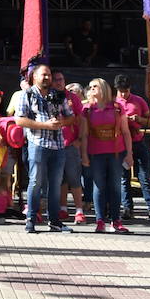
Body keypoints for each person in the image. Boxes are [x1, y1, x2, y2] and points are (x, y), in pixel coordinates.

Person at [15, 61, 75, 235]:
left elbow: (71, 118)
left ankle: (54, 221)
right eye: (44, 74)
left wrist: (61, 122)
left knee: (55, 184)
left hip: (58, 146)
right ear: (34, 77)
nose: (48, 77)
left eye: (49, 74)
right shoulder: (26, 95)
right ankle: (31, 220)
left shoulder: (59, 95)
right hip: (38, 144)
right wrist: (45, 125)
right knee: (36, 182)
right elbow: (19, 120)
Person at [81, 77, 131, 233]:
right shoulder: (87, 109)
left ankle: (116, 220)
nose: (92, 89)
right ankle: (100, 220)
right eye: (90, 87)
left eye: (95, 86)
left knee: (115, 186)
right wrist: (84, 155)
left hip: (116, 152)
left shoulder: (117, 107)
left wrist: (129, 153)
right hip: (96, 153)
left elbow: (126, 132)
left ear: (103, 88)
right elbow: (84, 135)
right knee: (99, 186)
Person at [115, 74, 150, 221]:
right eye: (120, 90)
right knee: (123, 178)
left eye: (125, 90)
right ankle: (127, 208)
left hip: (138, 141)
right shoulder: (113, 103)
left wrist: (138, 119)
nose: (123, 93)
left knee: (144, 177)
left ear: (129, 88)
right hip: (121, 143)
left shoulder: (138, 101)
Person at [54, 72, 87, 225]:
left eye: (61, 79)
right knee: (60, 179)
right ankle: (63, 208)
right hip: (53, 144)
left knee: (74, 177)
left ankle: (79, 211)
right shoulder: (48, 96)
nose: (58, 82)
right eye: (55, 80)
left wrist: (79, 140)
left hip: (70, 143)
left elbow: (81, 119)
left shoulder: (72, 98)